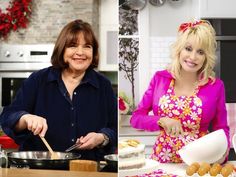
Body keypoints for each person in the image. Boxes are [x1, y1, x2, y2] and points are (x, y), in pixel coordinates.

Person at [0, 19, 117, 161]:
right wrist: (26, 118)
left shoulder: (103, 85)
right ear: (62, 49)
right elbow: (8, 116)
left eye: (87, 46)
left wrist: (101, 137)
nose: (80, 52)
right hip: (39, 170)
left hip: (88, 169)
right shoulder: (38, 80)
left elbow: (114, 128)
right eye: (73, 46)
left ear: (93, 51)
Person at [130, 20, 230, 163]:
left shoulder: (216, 86)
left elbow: (221, 128)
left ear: (206, 57)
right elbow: (136, 118)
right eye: (188, 49)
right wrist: (161, 120)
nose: (193, 57)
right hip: (163, 160)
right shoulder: (160, 79)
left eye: (200, 52)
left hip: (199, 161)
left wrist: (223, 152)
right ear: (179, 50)